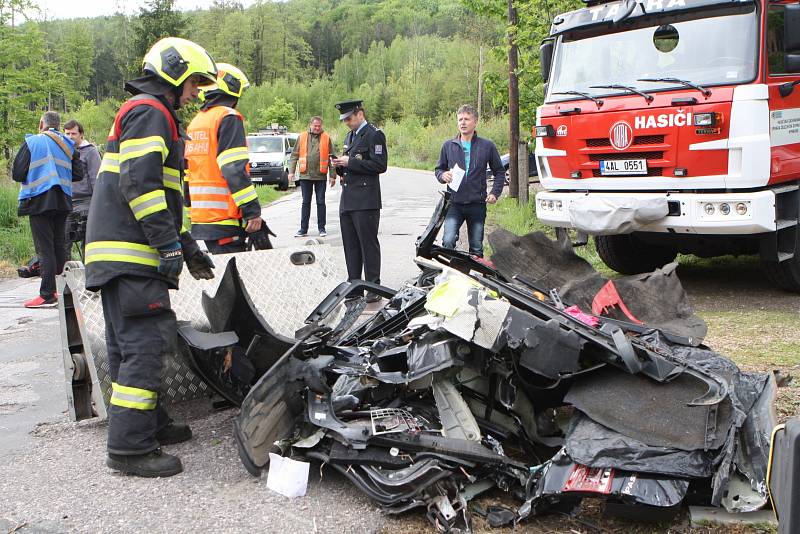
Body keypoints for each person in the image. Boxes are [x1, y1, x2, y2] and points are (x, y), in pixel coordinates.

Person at [84, 37, 217, 478]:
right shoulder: (150, 112)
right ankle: (130, 447)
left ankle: (150, 423)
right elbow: (140, 188)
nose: (197, 91)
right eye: (195, 81)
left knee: (131, 344)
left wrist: (189, 246)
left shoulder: (149, 113)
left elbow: (164, 196)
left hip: (122, 256)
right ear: (175, 74)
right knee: (145, 345)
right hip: (133, 254)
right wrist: (166, 246)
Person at [185, 62, 267, 254]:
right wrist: (252, 211)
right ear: (232, 87)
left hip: (202, 219)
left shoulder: (196, 122)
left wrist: (191, 210)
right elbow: (233, 169)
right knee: (235, 280)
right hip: (225, 218)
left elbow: (188, 172)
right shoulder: (228, 117)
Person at [12, 111, 84, 308]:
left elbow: (17, 174)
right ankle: (63, 291)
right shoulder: (67, 144)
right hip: (63, 200)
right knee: (59, 245)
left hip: (39, 199)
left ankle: (47, 294)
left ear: (41, 123)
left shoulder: (33, 142)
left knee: (44, 248)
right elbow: (78, 174)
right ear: (58, 126)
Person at [331, 100, 387, 302]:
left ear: (360, 114)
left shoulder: (374, 135)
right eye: (344, 119)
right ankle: (355, 286)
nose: (346, 122)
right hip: (348, 198)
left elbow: (380, 165)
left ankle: (373, 287)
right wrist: (340, 165)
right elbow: (351, 166)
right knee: (351, 245)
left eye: (349, 118)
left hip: (366, 200)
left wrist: (351, 161)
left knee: (367, 244)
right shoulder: (350, 136)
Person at [434, 104, 504, 258]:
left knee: (476, 249)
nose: (463, 123)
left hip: (477, 204)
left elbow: (499, 171)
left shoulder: (487, 146)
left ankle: (477, 281)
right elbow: (438, 169)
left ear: (475, 122)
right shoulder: (448, 146)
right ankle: (452, 278)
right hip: (454, 204)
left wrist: (495, 193)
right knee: (448, 242)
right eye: (460, 119)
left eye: (467, 119)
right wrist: (442, 175)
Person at [288, 116, 336, 237]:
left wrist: (333, 176)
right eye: (315, 126)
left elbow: (332, 158)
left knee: (321, 202)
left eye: (319, 126)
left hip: (321, 176)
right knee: (306, 202)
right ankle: (303, 230)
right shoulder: (302, 137)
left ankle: (322, 228)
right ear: (310, 125)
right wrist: (291, 172)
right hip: (305, 176)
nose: (317, 128)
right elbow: (294, 155)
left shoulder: (326, 138)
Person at [63, 119, 101, 258]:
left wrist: (98, 203)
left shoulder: (90, 152)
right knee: (64, 240)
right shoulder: (63, 151)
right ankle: (64, 273)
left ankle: (88, 273)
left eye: (73, 133)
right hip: (67, 202)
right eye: (67, 134)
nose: (70, 137)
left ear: (81, 135)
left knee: (88, 240)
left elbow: (96, 178)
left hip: (86, 201)